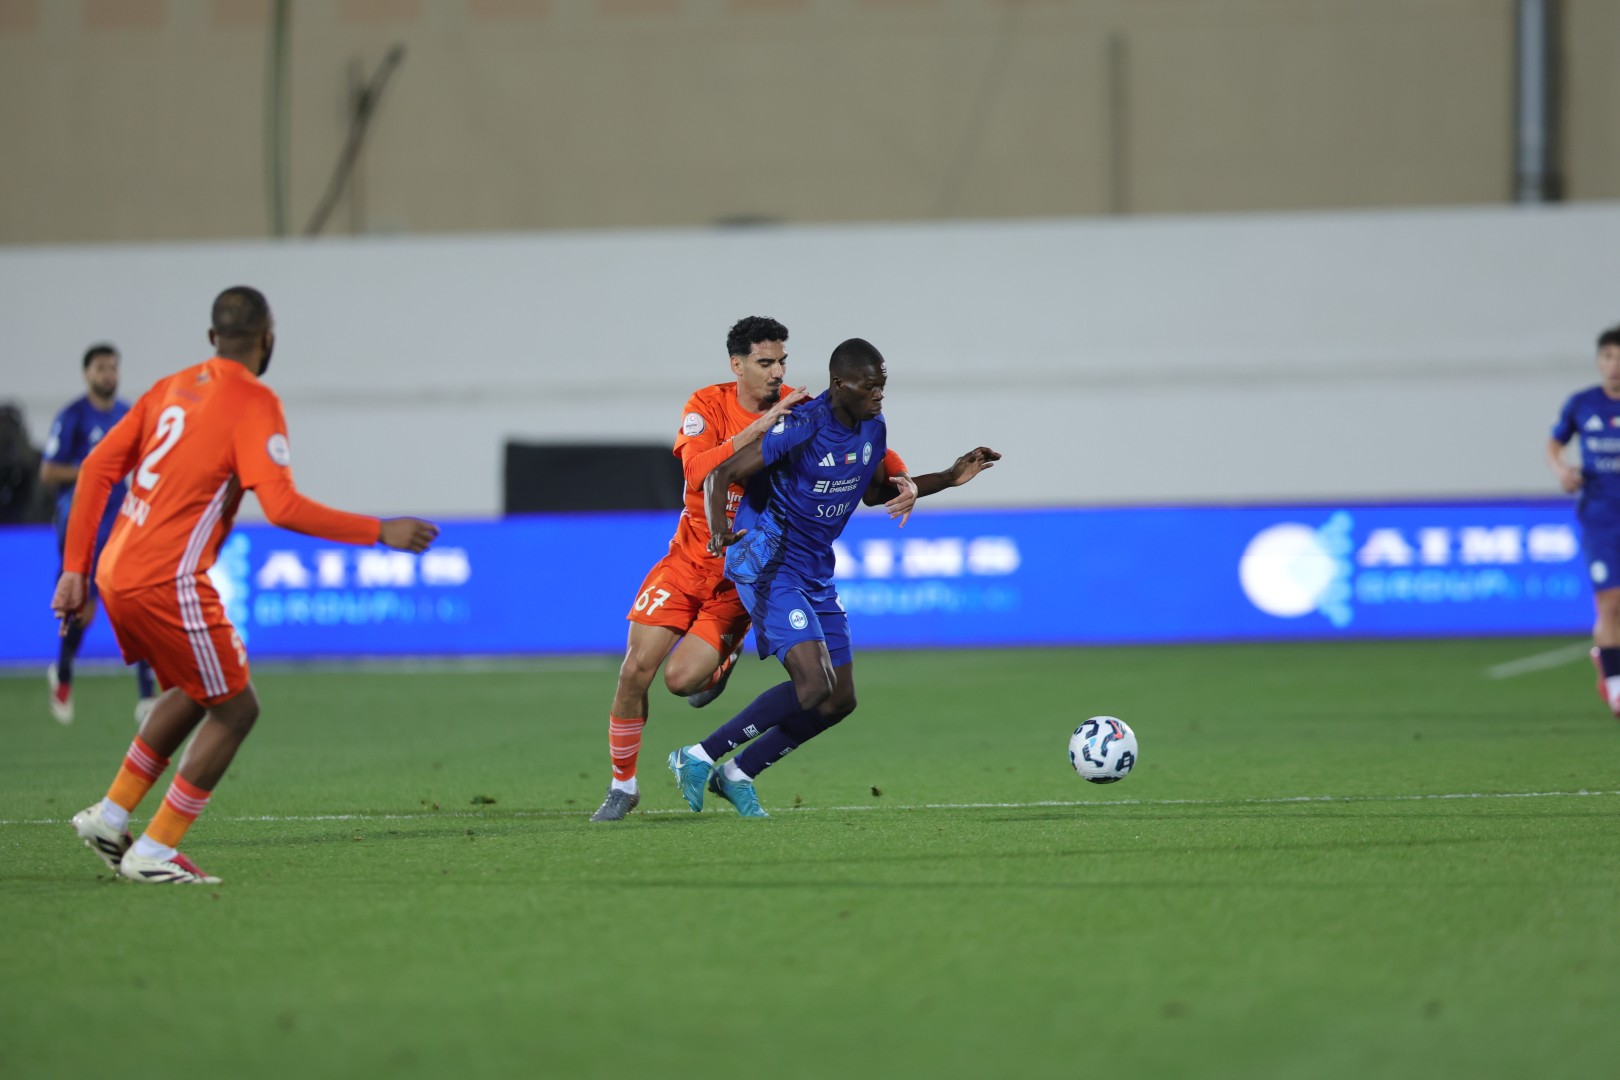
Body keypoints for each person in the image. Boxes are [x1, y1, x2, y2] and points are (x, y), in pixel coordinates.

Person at [52, 286, 439, 884]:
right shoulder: (254, 401)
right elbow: (281, 506)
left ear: (213, 338)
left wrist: (75, 569)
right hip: (167, 577)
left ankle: (110, 816)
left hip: (115, 569)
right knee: (236, 710)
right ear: (268, 338)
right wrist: (378, 530)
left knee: (196, 687)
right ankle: (153, 850)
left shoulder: (170, 387)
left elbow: (98, 466)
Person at [590, 315, 914, 822]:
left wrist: (904, 476)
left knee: (682, 682)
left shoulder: (801, 411)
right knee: (635, 670)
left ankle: (725, 661)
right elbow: (698, 473)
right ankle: (622, 786)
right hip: (690, 558)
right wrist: (758, 429)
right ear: (737, 365)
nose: (777, 372)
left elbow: (867, 442)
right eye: (765, 362)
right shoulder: (706, 406)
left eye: (782, 361)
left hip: (745, 569)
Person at [667, 337, 999, 816]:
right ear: (840, 384)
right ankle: (698, 755)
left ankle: (738, 773)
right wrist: (720, 528)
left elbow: (875, 493)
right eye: (870, 386)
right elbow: (719, 475)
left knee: (839, 699)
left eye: (882, 385)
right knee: (812, 685)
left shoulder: (873, 428)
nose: (879, 394)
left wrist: (947, 477)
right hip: (769, 562)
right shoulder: (803, 425)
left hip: (814, 569)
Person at [40, 344, 158, 725]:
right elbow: (48, 471)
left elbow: (146, 462)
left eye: (112, 368)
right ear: (87, 374)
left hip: (122, 519)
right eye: (100, 368)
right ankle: (63, 670)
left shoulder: (128, 414)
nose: (108, 374)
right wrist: (95, 470)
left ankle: (147, 696)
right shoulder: (73, 416)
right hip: (81, 520)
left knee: (135, 600)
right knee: (84, 609)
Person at [1549, 323, 1620, 717]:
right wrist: (1561, 469)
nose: (1615, 366)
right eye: (1608, 357)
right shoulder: (1583, 404)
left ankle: (1606, 660)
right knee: (1611, 601)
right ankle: (1616, 687)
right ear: (1599, 361)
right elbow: (1554, 441)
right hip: (1601, 518)